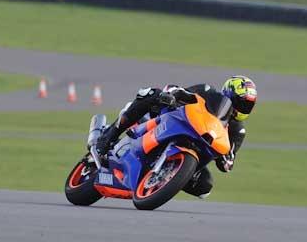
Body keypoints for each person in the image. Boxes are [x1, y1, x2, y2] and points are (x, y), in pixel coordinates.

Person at [95, 75, 257, 199]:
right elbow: (180, 91)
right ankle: (109, 135)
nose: (243, 108)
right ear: (228, 94)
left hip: (199, 148)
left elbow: (230, 159)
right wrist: (172, 95)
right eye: (241, 102)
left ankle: (164, 178)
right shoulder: (208, 92)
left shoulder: (237, 131)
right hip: (174, 119)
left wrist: (226, 160)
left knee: (204, 186)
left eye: (248, 105)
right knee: (151, 94)